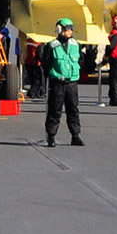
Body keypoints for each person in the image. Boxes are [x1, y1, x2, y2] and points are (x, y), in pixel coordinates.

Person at [41, 18, 83, 147]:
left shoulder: (76, 45)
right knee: (55, 110)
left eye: (71, 29)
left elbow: (81, 61)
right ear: (59, 30)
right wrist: (51, 76)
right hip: (58, 83)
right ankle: (51, 136)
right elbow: (46, 62)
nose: (69, 32)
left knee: (73, 110)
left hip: (72, 83)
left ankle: (75, 136)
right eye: (66, 29)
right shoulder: (52, 45)